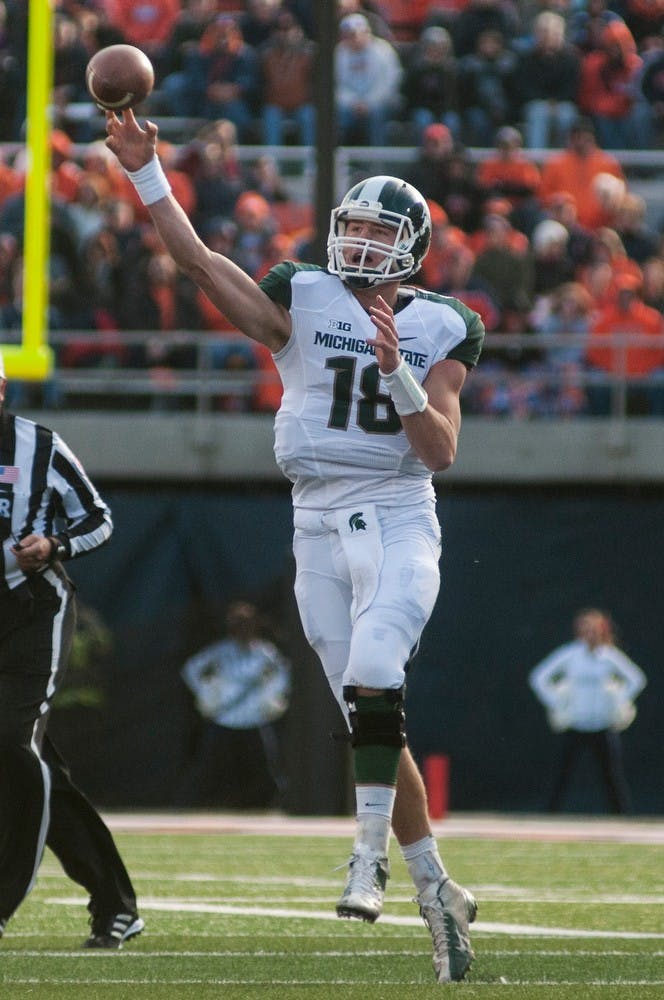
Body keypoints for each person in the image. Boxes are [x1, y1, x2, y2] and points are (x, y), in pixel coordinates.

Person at [105, 107, 485, 983]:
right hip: (314, 516)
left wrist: (395, 371)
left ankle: (367, 860)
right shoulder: (302, 293)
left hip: (396, 508)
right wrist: (147, 174)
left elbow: (441, 451)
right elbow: (199, 263)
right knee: (366, 716)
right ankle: (436, 889)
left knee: (378, 668)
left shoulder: (441, 324)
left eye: (374, 231)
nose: (354, 243)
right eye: (348, 226)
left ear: (412, 245)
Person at [0, 352, 144, 948]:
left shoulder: (38, 445)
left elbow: (100, 519)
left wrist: (55, 542)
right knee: (33, 765)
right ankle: (115, 902)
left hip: (32, 609)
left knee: (10, 744)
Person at [528, 608, 647, 814]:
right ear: (580, 631)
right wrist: (557, 702)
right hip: (576, 724)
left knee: (611, 775)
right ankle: (548, 815)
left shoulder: (609, 657)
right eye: (586, 629)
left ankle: (621, 818)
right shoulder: (570, 654)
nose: (590, 634)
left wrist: (618, 700)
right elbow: (539, 677)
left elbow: (637, 679)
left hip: (602, 724)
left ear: (602, 632)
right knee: (561, 774)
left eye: (594, 630)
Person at [176, 600, 291, 808]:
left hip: (255, 720)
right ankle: (188, 805)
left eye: (247, 623)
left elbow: (283, 677)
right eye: (238, 623)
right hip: (224, 718)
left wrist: (273, 700)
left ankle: (273, 805)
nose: (243, 628)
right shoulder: (218, 653)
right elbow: (191, 670)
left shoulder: (266, 653)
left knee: (268, 767)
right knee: (206, 768)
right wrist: (206, 694)